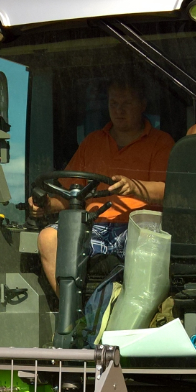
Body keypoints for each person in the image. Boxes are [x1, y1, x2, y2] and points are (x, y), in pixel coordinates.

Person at [32, 76, 174, 291]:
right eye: (113, 104)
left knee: (150, 250)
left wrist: (136, 187)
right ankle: (71, 317)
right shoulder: (93, 142)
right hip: (95, 224)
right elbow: (70, 195)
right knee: (49, 237)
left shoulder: (161, 142)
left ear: (142, 105)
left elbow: (170, 191)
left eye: (126, 103)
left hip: (141, 226)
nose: (119, 110)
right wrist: (46, 205)